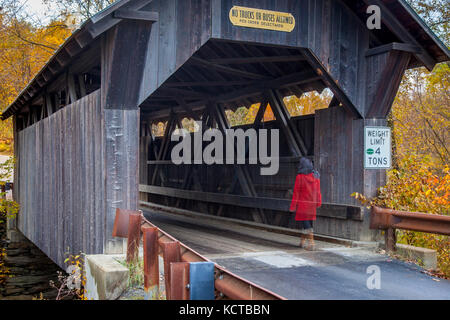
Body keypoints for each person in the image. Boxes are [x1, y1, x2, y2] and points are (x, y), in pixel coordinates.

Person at [290, 157, 322, 250]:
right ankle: (302, 242)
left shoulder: (299, 177)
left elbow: (296, 192)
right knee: (306, 223)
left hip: (303, 205)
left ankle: (311, 243)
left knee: (306, 223)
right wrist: (319, 202)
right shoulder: (316, 176)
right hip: (312, 204)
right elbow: (318, 191)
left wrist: (293, 206)